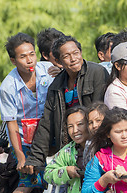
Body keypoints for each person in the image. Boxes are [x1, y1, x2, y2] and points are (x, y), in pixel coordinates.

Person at [0, 32, 54, 193]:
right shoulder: (8, 87)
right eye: (23, 56)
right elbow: (11, 126)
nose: (29, 60)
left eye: (32, 54)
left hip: (51, 135)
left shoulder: (47, 70)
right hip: (26, 141)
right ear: (13, 60)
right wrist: (19, 154)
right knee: (29, 182)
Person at [24, 35, 110, 173]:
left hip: (95, 146)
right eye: (67, 56)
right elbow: (46, 123)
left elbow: (100, 112)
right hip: (69, 148)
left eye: (76, 53)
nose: (73, 58)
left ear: (81, 53)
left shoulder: (97, 72)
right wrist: (35, 158)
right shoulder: (56, 85)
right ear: (58, 61)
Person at [44, 106, 90, 193]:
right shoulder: (68, 151)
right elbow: (48, 173)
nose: (75, 130)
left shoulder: (100, 147)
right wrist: (66, 171)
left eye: (80, 124)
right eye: (70, 126)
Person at [82, 102, 108, 193]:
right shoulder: (89, 146)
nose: (94, 125)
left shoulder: (114, 145)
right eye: (91, 122)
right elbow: (89, 177)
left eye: (98, 120)